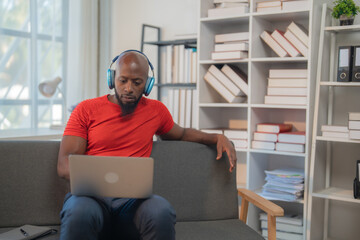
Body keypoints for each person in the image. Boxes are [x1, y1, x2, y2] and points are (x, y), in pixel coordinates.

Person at [57, 50, 237, 240]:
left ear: (147, 84)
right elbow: (64, 165)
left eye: (137, 82)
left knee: (161, 211)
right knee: (78, 212)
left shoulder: (156, 111)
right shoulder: (86, 110)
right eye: (123, 80)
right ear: (112, 79)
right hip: (90, 198)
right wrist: (100, 179)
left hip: (133, 201)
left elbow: (181, 133)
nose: (128, 89)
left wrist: (216, 137)